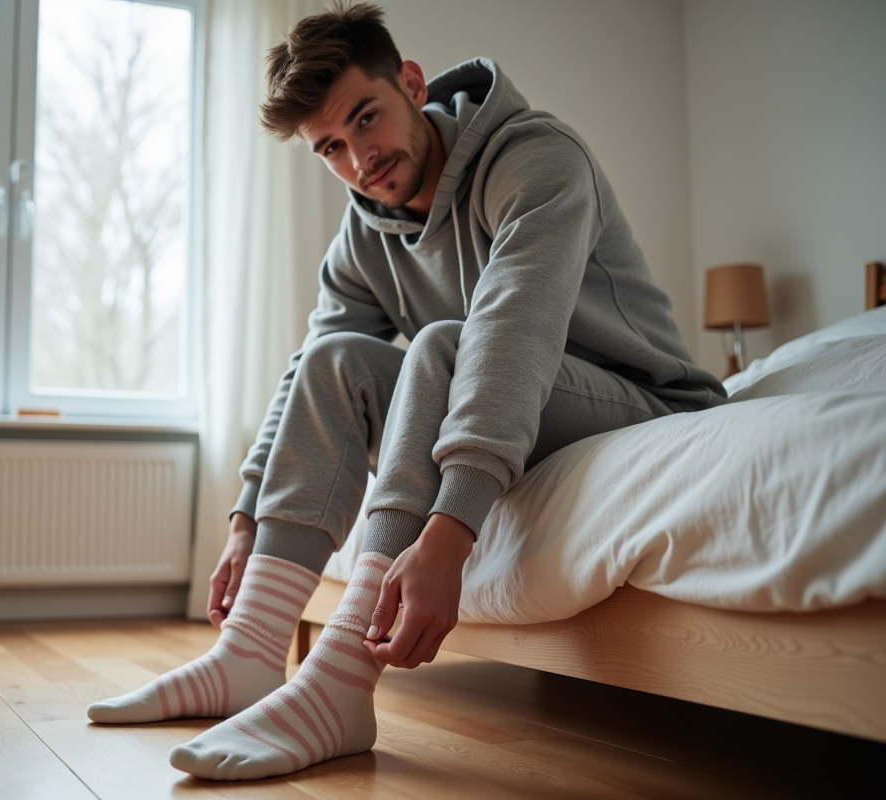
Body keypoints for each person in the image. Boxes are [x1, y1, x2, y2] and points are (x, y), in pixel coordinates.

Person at [87, 1, 726, 780]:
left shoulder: (535, 159)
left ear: (412, 83)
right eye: (331, 147)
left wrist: (450, 530)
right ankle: (248, 653)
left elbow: (509, 334)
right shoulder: (365, 231)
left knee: (445, 344)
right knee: (337, 361)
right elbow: (309, 367)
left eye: (367, 119)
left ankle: (341, 682)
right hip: (495, 390)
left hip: (640, 400)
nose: (360, 159)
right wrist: (246, 512)